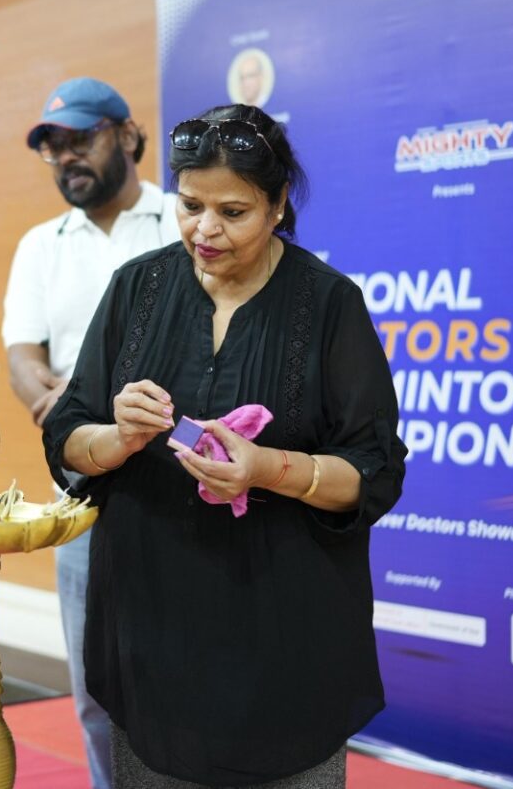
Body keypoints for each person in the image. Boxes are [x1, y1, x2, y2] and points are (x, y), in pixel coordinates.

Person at [43, 103, 406, 788]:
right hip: (151, 637)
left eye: (232, 212)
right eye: (190, 206)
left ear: (277, 205)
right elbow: (66, 435)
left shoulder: (329, 304)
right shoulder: (138, 288)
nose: (204, 230)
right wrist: (118, 437)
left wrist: (267, 468)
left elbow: (374, 471)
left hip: (285, 648)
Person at [2, 76, 178, 789]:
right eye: (53, 147)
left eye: (81, 138)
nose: (67, 156)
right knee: (99, 693)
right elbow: (23, 356)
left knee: (187, 682)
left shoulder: (183, 221)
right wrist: (58, 406)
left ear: (128, 135)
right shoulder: (40, 246)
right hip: (83, 496)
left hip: (183, 486)